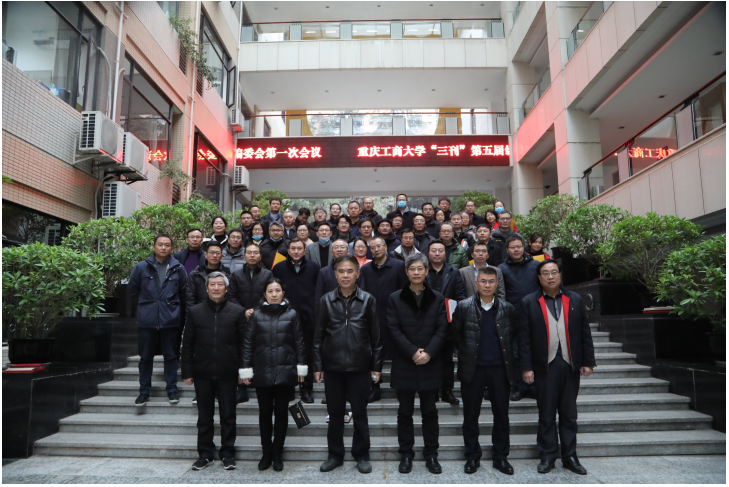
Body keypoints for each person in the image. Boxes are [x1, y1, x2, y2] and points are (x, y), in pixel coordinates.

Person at [520, 260, 595, 475]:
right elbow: (523, 338)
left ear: (560, 275)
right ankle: (547, 456)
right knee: (546, 413)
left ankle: (570, 456)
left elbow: (584, 332)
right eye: (546, 273)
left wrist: (588, 361)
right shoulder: (529, 302)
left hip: (570, 364)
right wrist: (526, 367)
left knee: (569, 413)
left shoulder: (575, 299)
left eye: (554, 272)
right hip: (544, 365)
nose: (550, 276)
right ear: (539, 277)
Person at [313, 255, 383, 474]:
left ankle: (361, 455)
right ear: (335, 274)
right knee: (335, 414)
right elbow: (318, 337)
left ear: (357, 273)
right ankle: (335, 455)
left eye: (350, 271)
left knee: (360, 414)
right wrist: (318, 366)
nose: (345, 275)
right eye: (341, 271)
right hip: (332, 367)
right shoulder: (325, 300)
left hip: (359, 366)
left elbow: (376, 337)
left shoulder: (368, 300)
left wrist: (376, 366)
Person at [386, 253, 448, 475]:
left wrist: (429, 352)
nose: (416, 272)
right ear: (406, 272)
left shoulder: (437, 298)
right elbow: (393, 329)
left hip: (430, 363)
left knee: (430, 412)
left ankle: (431, 454)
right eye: (412, 268)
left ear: (426, 271)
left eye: (420, 268)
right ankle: (406, 453)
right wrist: (413, 351)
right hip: (405, 363)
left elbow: (442, 328)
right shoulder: (395, 298)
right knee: (405, 412)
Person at [452, 266, 517, 476]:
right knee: (471, 415)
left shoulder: (507, 308)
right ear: (476, 283)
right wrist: (465, 354)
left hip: (500, 369)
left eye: (491, 281)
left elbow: (513, 338)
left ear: (497, 284)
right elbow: (455, 336)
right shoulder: (463, 307)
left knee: (502, 415)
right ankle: (472, 456)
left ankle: (500, 456)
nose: (487, 285)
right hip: (473, 369)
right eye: (483, 281)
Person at [181, 271, 245, 471]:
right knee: (204, 417)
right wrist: (187, 371)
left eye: (220, 284)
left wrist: (243, 371)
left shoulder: (237, 311)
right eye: (212, 284)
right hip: (203, 372)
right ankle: (205, 453)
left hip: (228, 372)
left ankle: (228, 453)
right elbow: (187, 343)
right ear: (206, 288)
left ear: (226, 289)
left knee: (228, 415)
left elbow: (244, 344)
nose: (216, 288)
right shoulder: (195, 312)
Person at [241, 278, 307, 472]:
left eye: (277, 290)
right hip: (262, 371)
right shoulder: (256, 315)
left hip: (285, 371)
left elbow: (299, 342)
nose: (274, 294)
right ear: (265, 294)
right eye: (270, 291)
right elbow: (248, 343)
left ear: (283, 293)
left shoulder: (292, 314)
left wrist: (301, 367)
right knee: (264, 414)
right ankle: (266, 452)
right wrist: (245, 369)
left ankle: (277, 452)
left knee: (281, 413)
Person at [128, 234, 187, 406]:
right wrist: (147, 306)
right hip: (148, 320)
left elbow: (183, 293)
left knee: (171, 356)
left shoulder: (178, 268)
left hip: (170, 319)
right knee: (146, 357)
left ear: (171, 248)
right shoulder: (141, 267)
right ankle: (144, 391)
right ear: (154, 247)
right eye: (160, 244)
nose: (163, 247)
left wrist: (175, 311)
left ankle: (172, 390)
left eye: (167, 245)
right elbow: (133, 290)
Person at [359, 236, 409, 402]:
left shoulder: (399, 265)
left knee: (398, 354)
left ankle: (400, 387)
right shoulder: (366, 269)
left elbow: (405, 291)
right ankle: (375, 387)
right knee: (373, 354)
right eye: (372, 247)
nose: (376, 249)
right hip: (372, 318)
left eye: (379, 246)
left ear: (385, 247)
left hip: (394, 317)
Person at [272, 239, 320, 404]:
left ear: (305, 251)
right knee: (287, 354)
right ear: (289, 251)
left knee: (307, 355)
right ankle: (289, 388)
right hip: (285, 318)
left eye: (299, 248)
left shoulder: (314, 267)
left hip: (308, 318)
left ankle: (306, 388)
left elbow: (318, 291)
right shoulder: (279, 268)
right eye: (293, 248)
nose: (296, 251)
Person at [228, 243, 275, 404]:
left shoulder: (268, 274)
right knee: (242, 352)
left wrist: (255, 310)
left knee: (260, 351)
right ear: (244, 255)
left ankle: (259, 382)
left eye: (256, 253)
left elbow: (270, 294)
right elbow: (231, 296)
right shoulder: (236, 275)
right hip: (241, 319)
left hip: (262, 318)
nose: (252, 255)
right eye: (249, 253)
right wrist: (244, 311)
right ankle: (242, 388)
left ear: (260, 256)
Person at [498, 233, 540, 402]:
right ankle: (518, 387)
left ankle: (534, 386)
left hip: (534, 315)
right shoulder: (501, 269)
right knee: (514, 353)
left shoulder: (535, 265)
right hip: (512, 316)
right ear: (507, 249)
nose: (516, 250)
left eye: (519, 246)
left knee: (535, 351)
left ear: (524, 248)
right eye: (512, 247)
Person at [425, 240, 466, 405]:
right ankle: (431, 391)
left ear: (445, 253)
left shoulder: (454, 272)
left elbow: (460, 295)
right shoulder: (422, 270)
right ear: (428, 254)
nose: (437, 253)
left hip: (448, 322)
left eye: (440, 250)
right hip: (427, 323)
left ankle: (447, 391)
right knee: (429, 358)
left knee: (447, 359)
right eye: (433, 250)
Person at [185, 241, 230, 312]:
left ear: (222, 256)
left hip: (223, 313)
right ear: (205, 255)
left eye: (217, 253)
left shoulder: (227, 274)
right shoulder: (196, 274)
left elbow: (230, 297)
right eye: (212, 252)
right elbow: (190, 300)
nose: (214, 255)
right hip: (200, 313)